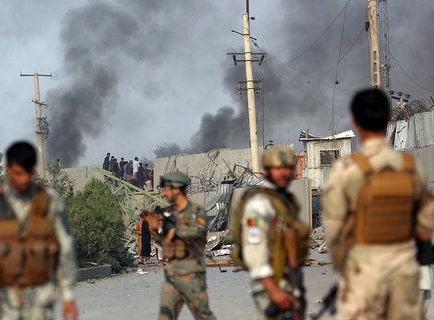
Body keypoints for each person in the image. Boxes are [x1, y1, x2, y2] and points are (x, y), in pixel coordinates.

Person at [322, 88, 434, 319]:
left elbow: (334, 235)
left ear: (354, 121)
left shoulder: (345, 171)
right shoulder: (411, 167)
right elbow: (426, 226)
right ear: (388, 118)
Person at [0, 141, 79, 320]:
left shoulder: (50, 201)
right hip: (3, 302)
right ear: (7, 168)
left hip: (40, 301)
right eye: (18, 173)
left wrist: (68, 297)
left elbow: (65, 247)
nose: (24, 179)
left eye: (29, 173)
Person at [234, 145, 309, 319]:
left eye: (287, 168)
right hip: (269, 286)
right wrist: (273, 290)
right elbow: (254, 247)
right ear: (267, 170)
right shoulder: (259, 204)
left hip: (289, 281)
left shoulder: (286, 201)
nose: (283, 172)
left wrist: (297, 287)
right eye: (277, 168)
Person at [148, 171, 216, 320]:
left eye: (166, 189)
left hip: (192, 275)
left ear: (177, 189)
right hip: (172, 275)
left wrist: (176, 231)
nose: (164, 194)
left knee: (203, 316)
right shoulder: (168, 214)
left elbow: (200, 230)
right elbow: (166, 245)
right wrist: (155, 231)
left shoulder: (197, 211)